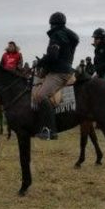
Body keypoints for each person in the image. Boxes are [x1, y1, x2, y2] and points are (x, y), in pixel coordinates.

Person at [32, 12, 79, 140]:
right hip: (66, 69)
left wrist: (41, 61)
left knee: (41, 96)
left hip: (59, 72)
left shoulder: (56, 35)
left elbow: (53, 56)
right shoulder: (69, 36)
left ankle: (49, 130)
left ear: (52, 24)